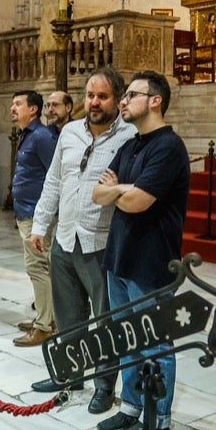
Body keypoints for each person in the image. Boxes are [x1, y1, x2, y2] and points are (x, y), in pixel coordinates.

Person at [90, 71, 192, 430]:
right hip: (120, 255)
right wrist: (120, 189)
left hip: (152, 259)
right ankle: (132, 407)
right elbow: (97, 195)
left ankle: (159, 418)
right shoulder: (131, 145)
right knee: (126, 337)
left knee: (154, 341)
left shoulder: (168, 147)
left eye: (131, 95)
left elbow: (138, 201)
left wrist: (119, 190)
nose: (123, 101)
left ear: (155, 100)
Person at [28, 68, 136, 412]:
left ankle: (104, 385)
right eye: (90, 95)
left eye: (102, 96)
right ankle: (69, 375)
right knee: (69, 314)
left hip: (100, 242)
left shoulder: (129, 137)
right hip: (65, 237)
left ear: (118, 100)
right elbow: (54, 181)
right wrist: (40, 225)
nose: (94, 102)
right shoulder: (71, 131)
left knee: (104, 319)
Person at [9, 89, 58, 346]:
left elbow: (55, 174)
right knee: (38, 267)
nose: (12, 108)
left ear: (33, 109)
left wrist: (45, 216)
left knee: (37, 267)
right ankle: (46, 315)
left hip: (37, 214)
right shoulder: (28, 135)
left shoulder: (41, 137)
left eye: (18, 104)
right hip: (26, 210)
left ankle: (44, 326)